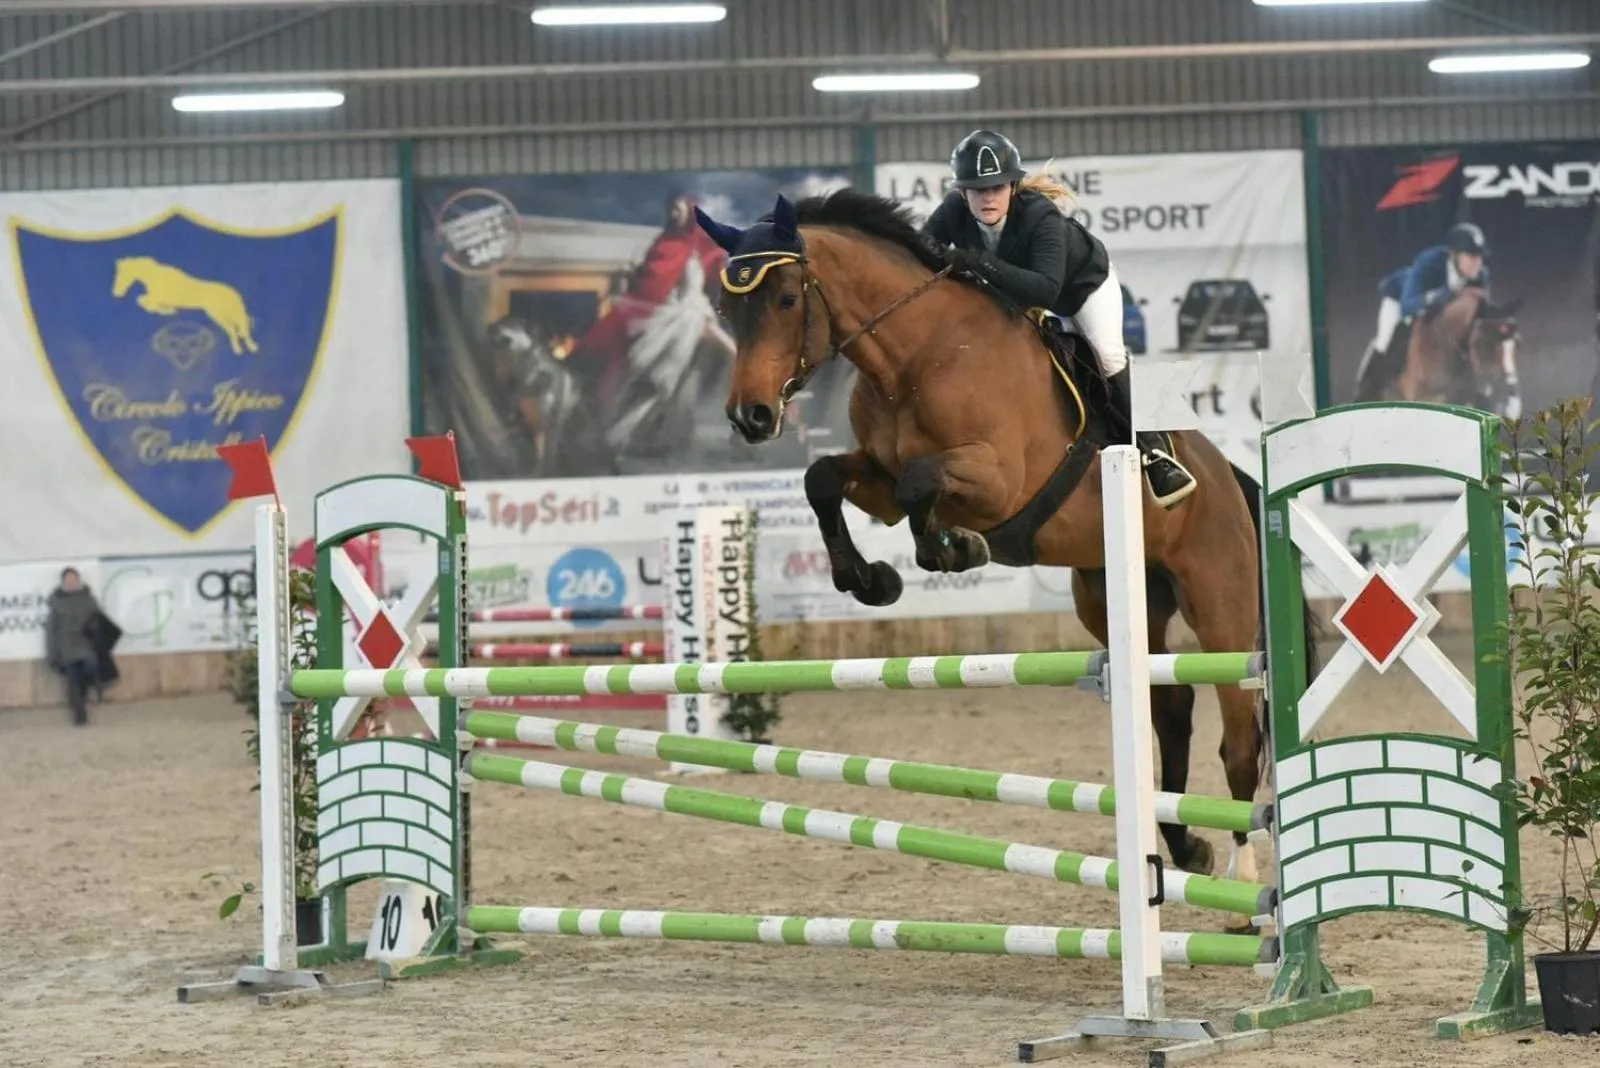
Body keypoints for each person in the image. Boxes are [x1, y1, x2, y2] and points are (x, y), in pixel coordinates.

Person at [919, 129, 1196, 508]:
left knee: (1106, 355)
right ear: (962, 193)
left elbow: (1046, 289)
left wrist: (977, 262)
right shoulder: (953, 211)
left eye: (996, 188)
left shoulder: (1040, 216)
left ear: (1012, 187)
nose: (987, 197)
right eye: (977, 190)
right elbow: (922, 248)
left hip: (1082, 289)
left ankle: (1156, 451)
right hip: (1019, 295)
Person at [1354, 221, 1491, 401]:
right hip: (1399, 299)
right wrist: (1444, 294)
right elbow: (1408, 305)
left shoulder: (1481, 276)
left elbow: (1480, 314)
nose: (1478, 263)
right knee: (1385, 339)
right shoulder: (1428, 262)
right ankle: (1367, 389)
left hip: (1436, 311)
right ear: (1454, 255)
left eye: (1480, 257)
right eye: (1472, 257)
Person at [45, 567, 118, 726]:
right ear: (63, 582)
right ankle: (80, 714)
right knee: (73, 679)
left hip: (86, 646)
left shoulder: (88, 599)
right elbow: (51, 631)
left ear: (78, 580)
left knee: (86, 672)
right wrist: (52, 655)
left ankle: (87, 693)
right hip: (66, 649)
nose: (71, 581)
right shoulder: (57, 602)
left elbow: (100, 621)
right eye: (68, 579)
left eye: (74, 578)